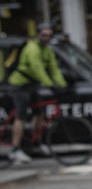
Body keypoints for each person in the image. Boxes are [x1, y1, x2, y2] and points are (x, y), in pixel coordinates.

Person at [5, 24, 66, 164]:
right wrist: (50, 84)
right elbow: (37, 69)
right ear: (38, 34)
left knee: (39, 113)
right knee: (20, 115)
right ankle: (15, 150)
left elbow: (54, 69)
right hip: (19, 85)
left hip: (33, 85)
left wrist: (62, 85)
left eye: (49, 35)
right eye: (44, 35)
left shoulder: (47, 50)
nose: (47, 38)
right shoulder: (32, 48)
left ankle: (36, 143)